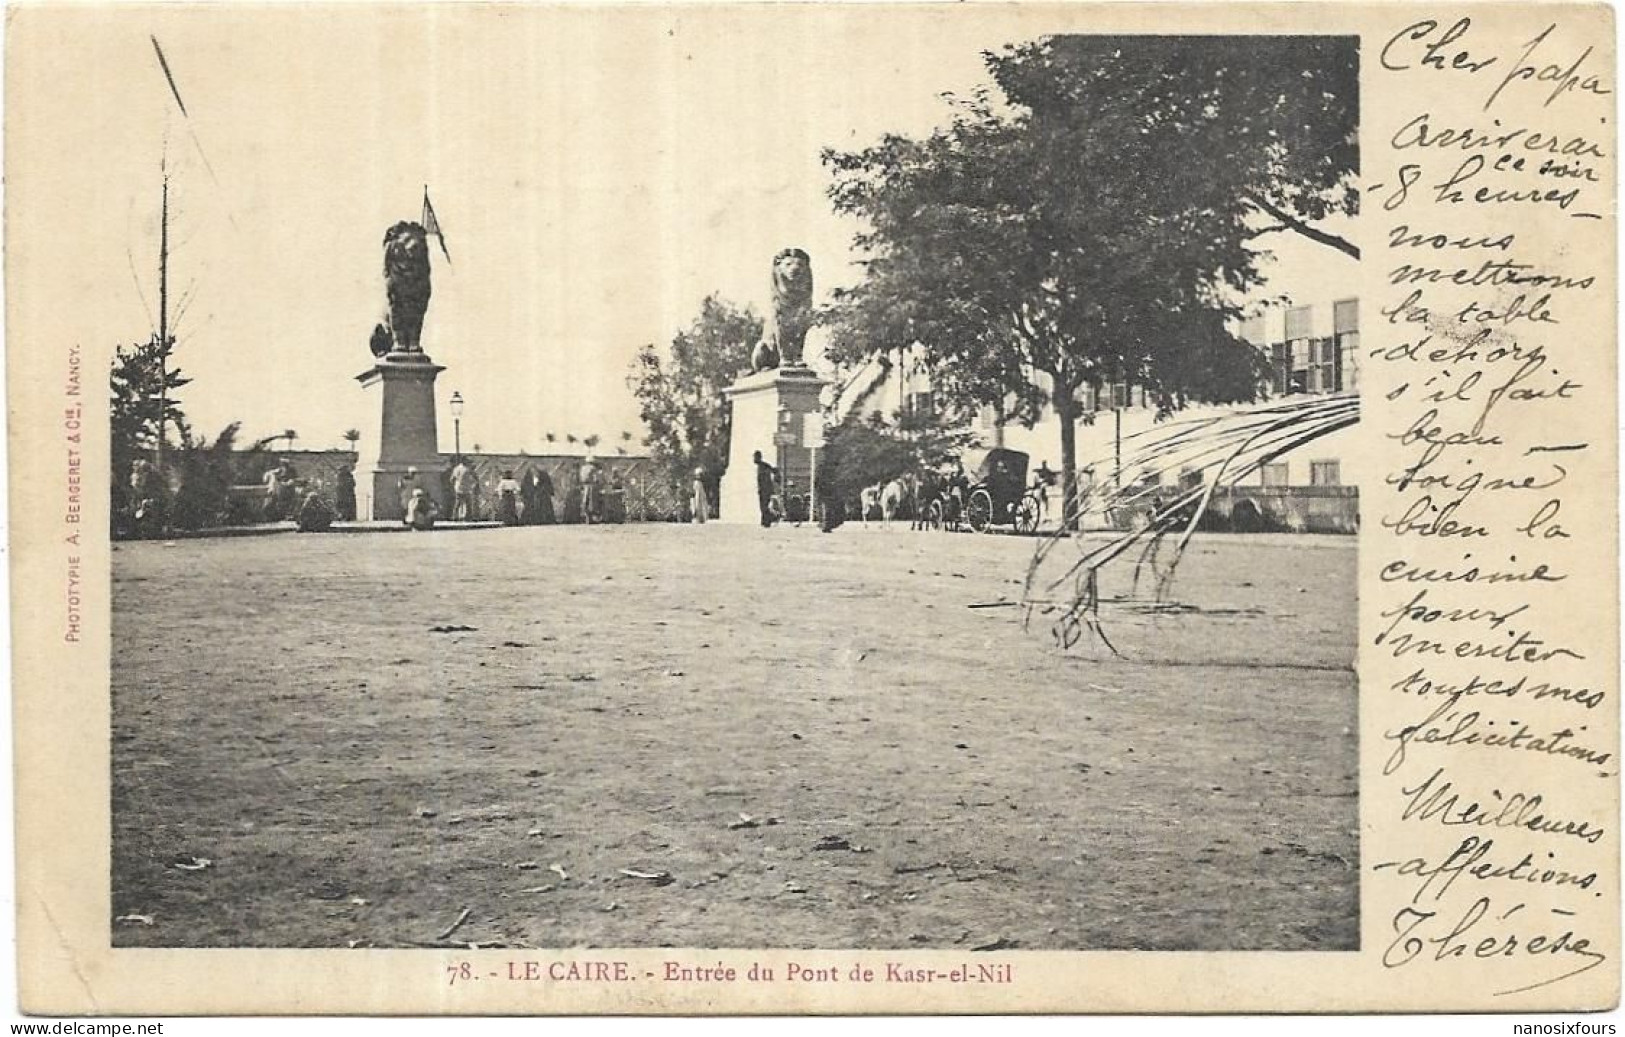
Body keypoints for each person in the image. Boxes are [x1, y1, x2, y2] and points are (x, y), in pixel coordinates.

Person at [753, 450, 778, 528]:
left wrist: (764, 489)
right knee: (763, 506)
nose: (754, 459)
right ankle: (765, 521)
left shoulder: (763, 466)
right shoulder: (763, 466)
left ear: (758, 457)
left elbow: (766, 479)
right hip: (764, 490)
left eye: (755, 457)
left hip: (765, 490)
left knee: (764, 506)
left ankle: (769, 519)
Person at [579, 455, 602, 524]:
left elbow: (581, 477)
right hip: (592, 486)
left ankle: (587, 518)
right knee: (592, 502)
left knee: (585, 501)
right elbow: (596, 478)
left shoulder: (583, 468)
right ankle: (591, 518)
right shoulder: (593, 468)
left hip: (584, 485)